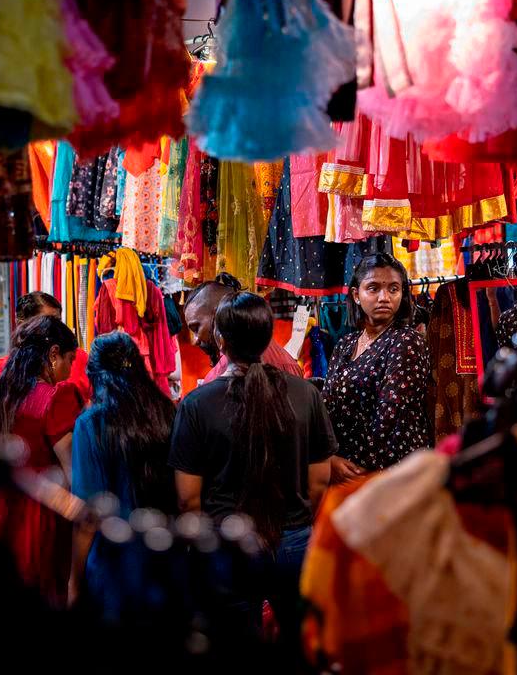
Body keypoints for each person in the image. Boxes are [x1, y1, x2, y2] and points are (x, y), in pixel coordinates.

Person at [169, 291, 336, 656]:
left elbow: (187, 498)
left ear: (221, 340)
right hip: (294, 540)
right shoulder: (305, 394)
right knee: (302, 647)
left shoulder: (196, 405)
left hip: (227, 543)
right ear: (266, 336)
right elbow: (320, 480)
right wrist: (297, 521)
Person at [0, 315, 81, 604]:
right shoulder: (55, 398)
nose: (70, 370)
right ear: (53, 353)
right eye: (70, 359)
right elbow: (73, 474)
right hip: (41, 519)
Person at [69, 331, 177, 609]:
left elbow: (88, 513)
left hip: (114, 566)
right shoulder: (167, 413)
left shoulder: (91, 424)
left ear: (94, 375)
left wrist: (74, 581)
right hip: (166, 560)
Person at [322, 252, 433, 483]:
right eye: (373, 288)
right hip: (344, 466)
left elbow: (390, 415)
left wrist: (357, 468)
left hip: (391, 472)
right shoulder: (345, 344)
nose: (384, 297)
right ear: (356, 295)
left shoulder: (406, 341)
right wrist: (330, 458)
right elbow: (327, 406)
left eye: (393, 289)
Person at [0, 291, 90, 407]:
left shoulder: (77, 358)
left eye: (57, 321)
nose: (55, 328)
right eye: (46, 322)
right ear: (21, 325)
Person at [183, 272, 301, 386]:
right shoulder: (286, 360)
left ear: (218, 314)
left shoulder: (223, 374)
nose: (196, 340)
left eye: (196, 328)